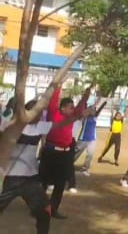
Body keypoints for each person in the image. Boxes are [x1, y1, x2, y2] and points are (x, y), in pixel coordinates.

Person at [0, 99, 90, 234]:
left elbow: (61, 123)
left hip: (30, 179)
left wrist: (79, 115)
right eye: (38, 113)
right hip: (10, 178)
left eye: (41, 113)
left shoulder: (39, 126)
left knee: (44, 211)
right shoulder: (11, 125)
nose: (41, 116)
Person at [39, 84, 92, 219]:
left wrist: (86, 95)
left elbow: (80, 106)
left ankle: (53, 209)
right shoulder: (54, 113)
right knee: (44, 182)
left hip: (64, 154)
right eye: (70, 107)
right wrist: (59, 84)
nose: (73, 109)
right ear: (62, 108)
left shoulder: (72, 116)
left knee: (60, 184)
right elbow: (53, 101)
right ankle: (39, 208)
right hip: (51, 152)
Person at [73, 98, 107, 176]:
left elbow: (99, 111)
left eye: (94, 110)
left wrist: (104, 103)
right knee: (76, 153)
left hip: (92, 139)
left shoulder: (94, 117)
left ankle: (85, 169)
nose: (94, 111)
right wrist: (94, 104)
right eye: (92, 109)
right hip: (83, 138)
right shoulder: (84, 118)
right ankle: (67, 165)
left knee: (90, 154)